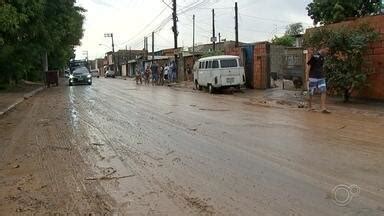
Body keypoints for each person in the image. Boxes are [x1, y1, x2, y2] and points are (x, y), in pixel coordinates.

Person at [306, 48, 330, 113]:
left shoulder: (323, 57)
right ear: (322, 49)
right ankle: (309, 107)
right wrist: (307, 76)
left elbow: (320, 67)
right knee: (311, 92)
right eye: (327, 50)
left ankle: (323, 108)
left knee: (324, 90)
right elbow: (309, 67)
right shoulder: (315, 56)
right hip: (313, 77)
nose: (327, 52)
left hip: (321, 77)